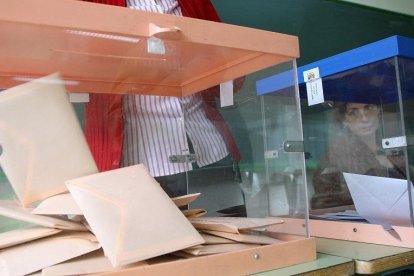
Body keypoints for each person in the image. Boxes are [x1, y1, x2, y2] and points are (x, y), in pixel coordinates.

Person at [82, 0, 243, 199]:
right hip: (138, 167)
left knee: (232, 230)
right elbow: (76, 67)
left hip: (210, 153)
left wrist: (226, 69)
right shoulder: (92, 4)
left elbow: (227, 64)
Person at [311, 101, 407, 209]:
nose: (364, 118)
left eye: (369, 108)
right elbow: (326, 201)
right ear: (344, 120)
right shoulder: (338, 153)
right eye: (353, 112)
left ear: (378, 111)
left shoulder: (390, 146)